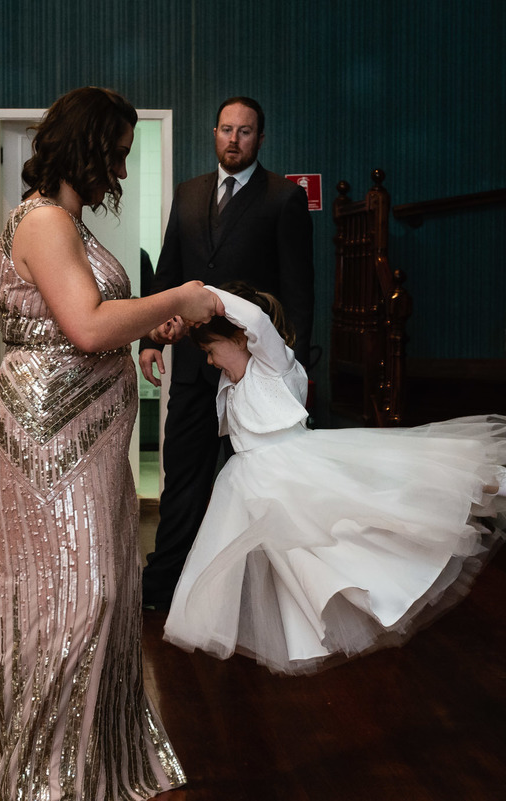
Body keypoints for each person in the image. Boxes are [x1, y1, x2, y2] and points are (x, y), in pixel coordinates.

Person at [0, 86, 221, 801]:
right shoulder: (44, 220)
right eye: (115, 154)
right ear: (84, 147)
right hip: (49, 435)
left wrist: (145, 325)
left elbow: (94, 316)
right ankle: (48, 777)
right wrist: (178, 298)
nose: (120, 170)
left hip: (91, 434)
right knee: (79, 598)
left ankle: (93, 765)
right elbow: (85, 327)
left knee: (100, 592)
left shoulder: (69, 224)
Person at [163, 284, 506, 675]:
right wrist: (181, 324)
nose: (209, 361)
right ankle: (307, 633)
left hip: (299, 470)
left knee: (381, 499)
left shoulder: (275, 366)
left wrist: (206, 297)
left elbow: (256, 319)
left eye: (211, 350)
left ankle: (477, 483)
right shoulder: (232, 381)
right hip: (258, 486)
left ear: (242, 339)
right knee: (299, 558)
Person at [139, 96, 314, 611]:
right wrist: (150, 338)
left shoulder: (283, 197)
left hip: (254, 373)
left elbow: (298, 291)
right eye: (225, 129)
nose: (233, 139)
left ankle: (257, 599)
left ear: (260, 138)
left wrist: (291, 370)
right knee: (182, 479)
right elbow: (169, 272)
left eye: (245, 131)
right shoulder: (189, 192)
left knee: (257, 489)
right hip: (195, 368)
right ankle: (165, 586)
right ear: (213, 133)